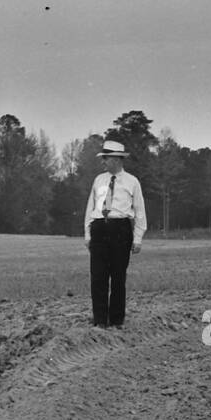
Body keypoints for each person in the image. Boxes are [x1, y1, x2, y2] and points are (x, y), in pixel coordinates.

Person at [83, 139, 147, 328]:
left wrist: (137, 239)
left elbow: (140, 211)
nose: (103, 162)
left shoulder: (132, 182)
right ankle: (100, 321)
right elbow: (90, 208)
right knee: (98, 277)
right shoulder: (98, 180)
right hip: (99, 228)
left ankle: (116, 321)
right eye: (103, 158)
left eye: (106, 158)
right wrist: (88, 234)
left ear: (117, 160)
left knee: (118, 277)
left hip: (121, 230)